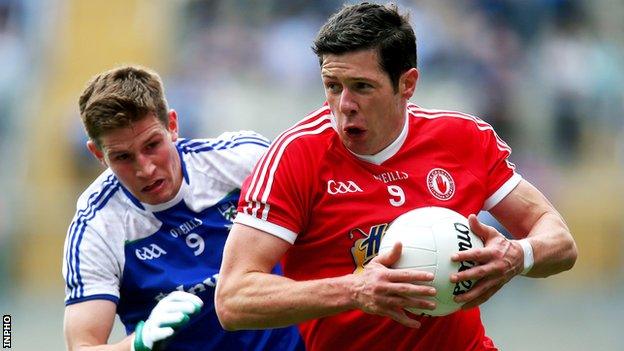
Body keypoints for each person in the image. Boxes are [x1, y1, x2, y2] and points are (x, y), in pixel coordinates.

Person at [215, 3, 578, 351]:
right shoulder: (295, 157)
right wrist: (355, 290)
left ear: (407, 84)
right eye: (332, 85)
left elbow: (559, 241)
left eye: (362, 86)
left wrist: (517, 255)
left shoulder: (463, 139)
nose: (344, 105)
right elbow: (233, 299)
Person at [62, 65, 304, 351]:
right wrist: (137, 343)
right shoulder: (96, 230)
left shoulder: (243, 159)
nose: (146, 168)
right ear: (98, 154)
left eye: (152, 145)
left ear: (173, 126)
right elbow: (83, 347)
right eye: (123, 157)